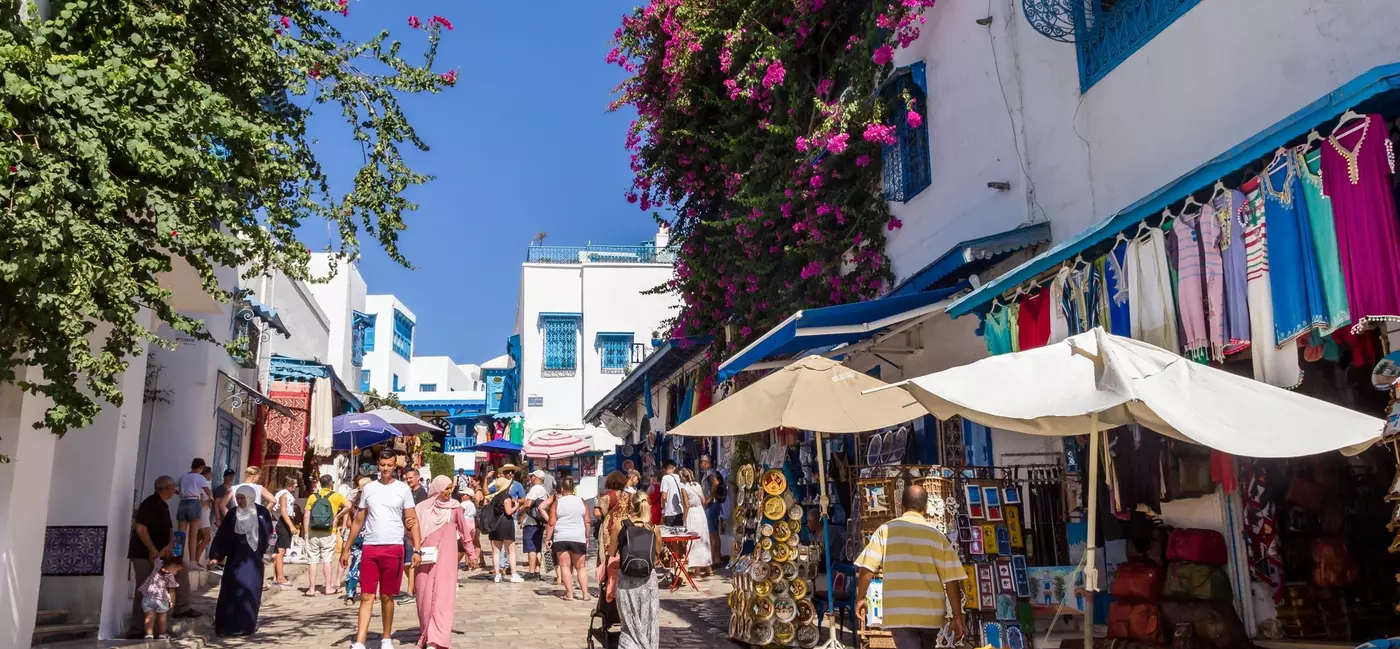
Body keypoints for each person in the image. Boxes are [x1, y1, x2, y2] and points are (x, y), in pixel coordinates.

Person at [855, 485, 967, 649]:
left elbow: (867, 568)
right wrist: (957, 616)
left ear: (901, 505)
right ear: (926, 508)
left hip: (900, 613)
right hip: (931, 615)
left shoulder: (885, 531)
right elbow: (952, 580)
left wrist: (861, 598)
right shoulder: (937, 537)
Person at [341, 450, 422, 649]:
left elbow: (412, 521)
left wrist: (417, 549)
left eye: (389, 465)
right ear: (378, 464)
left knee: (387, 596)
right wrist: (346, 547)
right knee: (367, 595)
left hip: (394, 547)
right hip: (370, 547)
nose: (385, 468)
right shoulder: (369, 489)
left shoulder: (403, 489)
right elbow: (359, 519)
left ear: (395, 466)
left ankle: (386, 637)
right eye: (383, 464)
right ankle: (360, 641)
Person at [413, 476, 472, 649]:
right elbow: (412, 531)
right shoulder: (421, 508)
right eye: (445, 488)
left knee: (443, 597)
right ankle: (426, 632)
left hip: (446, 557)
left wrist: (471, 553)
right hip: (425, 557)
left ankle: (437, 638)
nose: (448, 492)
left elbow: (464, 532)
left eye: (450, 488)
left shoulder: (455, 508)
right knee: (424, 597)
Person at [209, 485, 273, 636]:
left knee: (250, 591)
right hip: (235, 561)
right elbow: (223, 536)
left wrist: (269, 553)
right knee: (231, 592)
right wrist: (216, 556)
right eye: (237, 498)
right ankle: (226, 627)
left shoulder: (262, 513)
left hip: (254, 561)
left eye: (242, 497)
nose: (239, 500)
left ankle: (245, 626)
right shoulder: (232, 514)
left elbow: (270, 535)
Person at [600, 518, 661, 649]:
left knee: (628, 624)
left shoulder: (620, 526)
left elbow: (611, 552)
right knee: (648, 623)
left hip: (626, 580)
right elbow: (658, 552)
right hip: (648, 581)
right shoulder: (653, 527)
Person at [128, 476, 175, 637]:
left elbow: (169, 529)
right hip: (143, 554)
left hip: (160, 556)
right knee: (143, 590)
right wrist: (152, 549)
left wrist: (169, 545)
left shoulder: (164, 506)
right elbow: (141, 528)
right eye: (172, 488)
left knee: (159, 591)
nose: (174, 491)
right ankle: (137, 629)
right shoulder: (148, 504)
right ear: (166, 488)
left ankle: (155, 630)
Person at [546, 477, 591, 601]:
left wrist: (548, 539)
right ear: (573, 488)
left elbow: (551, 523)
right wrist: (586, 536)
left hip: (561, 537)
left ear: (561, 489)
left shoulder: (557, 503)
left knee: (565, 566)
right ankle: (585, 594)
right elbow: (587, 521)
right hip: (578, 537)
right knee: (581, 567)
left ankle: (569, 594)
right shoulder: (582, 502)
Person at [305, 474, 348, 596]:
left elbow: (307, 515)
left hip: (313, 531)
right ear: (331, 484)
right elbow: (348, 506)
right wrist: (338, 516)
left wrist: (307, 533)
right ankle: (328, 587)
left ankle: (311, 589)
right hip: (329, 531)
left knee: (312, 560)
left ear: (320, 484)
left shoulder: (313, 497)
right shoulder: (336, 496)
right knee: (327, 559)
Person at [338, 477, 372, 604]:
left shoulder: (354, 504)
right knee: (370, 567)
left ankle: (350, 595)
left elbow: (348, 524)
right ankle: (368, 593)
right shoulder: (373, 504)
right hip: (371, 538)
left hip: (356, 537)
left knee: (354, 566)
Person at [176, 458, 213, 569]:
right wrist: (210, 498)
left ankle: (177, 559)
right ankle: (192, 561)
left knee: (180, 534)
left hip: (182, 502)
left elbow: (173, 488)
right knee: (193, 534)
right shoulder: (200, 477)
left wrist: (182, 493)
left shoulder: (183, 477)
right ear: (201, 467)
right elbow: (207, 491)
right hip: (194, 502)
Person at [487, 477, 523, 583]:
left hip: (495, 525)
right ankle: (514, 574)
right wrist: (516, 506)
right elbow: (508, 512)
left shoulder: (495, 497)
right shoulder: (506, 497)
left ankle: (497, 574)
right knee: (511, 550)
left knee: (496, 551)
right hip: (506, 524)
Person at [679, 469, 712, 577]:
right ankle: (709, 569)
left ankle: (697, 571)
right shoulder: (697, 485)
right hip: (700, 512)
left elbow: (686, 505)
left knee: (694, 542)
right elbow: (703, 500)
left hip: (692, 514)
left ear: (683, 477)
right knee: (704, 539)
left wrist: (684, 518)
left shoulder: (684, 488)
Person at [402, 468, 428, 602]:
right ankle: (413, 588)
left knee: (411, 561)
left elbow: (420, 514)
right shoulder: (408, 492)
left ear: (418, 477)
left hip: (413, 532)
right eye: (406, 478)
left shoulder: (421, 493)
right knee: (406, 563)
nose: (408, 480)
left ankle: (411, 591)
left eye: (411, 477)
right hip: (406, 530)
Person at [139, 558, 182, 640]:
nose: (176, 573)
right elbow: (171, 591)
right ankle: (162, 634)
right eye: (177, 570)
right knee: (162, 618)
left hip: (148, 597)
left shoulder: (157, 568)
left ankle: (149, 635)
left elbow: (158, 558)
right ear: (174, 566)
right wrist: (171, 601)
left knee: (149, 617)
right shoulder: (171, 577)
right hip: (162, 600)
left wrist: (165, 552)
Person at [596, 471, 633, 560]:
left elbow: (597, 513)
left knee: (609, 554)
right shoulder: (629, 496)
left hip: (610, 529)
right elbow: (632, 510)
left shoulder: (606, 497)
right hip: (625, 527)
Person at [520, 470, 549, 580]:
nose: (530, 478)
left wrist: (520, 513)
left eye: (532, 476)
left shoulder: (535, 488)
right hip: (538, 522)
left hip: (531, 522)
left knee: (531, 547)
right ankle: (537, 571)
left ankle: (531, 572)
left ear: (535, 477)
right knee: (537, 548)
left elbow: (528, 504)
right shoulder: (543, 489)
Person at [271, 476, 299, 587]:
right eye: (294, 483)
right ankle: (280, 577)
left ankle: (275, 576)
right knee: (280, 551)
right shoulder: (284, 494)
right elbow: (283, 511)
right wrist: (291, 526)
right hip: (283, 522)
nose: (296, 486)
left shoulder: (284, 494)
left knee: (280, 550)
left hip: (283, 522)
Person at [699, 455, 724, 566]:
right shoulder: (709, 472)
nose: (700, 464)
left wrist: (710, 498)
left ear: (706, 462)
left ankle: (713, 559)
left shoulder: (710, 472)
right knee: (714, 531)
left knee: (711, 533)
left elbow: (716, 483)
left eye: (702, 462)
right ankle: (717, 558)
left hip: (712, 504)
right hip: (714, 504)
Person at [659, 461, 683, 527]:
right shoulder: (679, 477)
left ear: (666, 469)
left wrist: (663, 507)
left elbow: (664, 496)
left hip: (670, 511)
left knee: (670, 533)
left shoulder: (665, 478)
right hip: (680, 510)